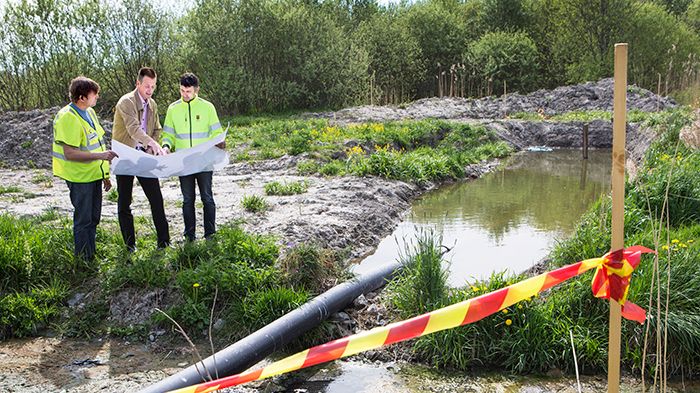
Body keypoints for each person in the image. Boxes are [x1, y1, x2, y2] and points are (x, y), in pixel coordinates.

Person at [52, 76, 118, 261]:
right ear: (82, 97)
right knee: (83, 220)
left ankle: (91, 255)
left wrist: (104, 174)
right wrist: (101, 157)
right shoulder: (68, 117)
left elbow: (97, 144)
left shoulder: (89, 113)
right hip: (80, 178)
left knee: (93, 218)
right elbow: (70, 153)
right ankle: (83, 260)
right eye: (94, 94)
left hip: (93, 175)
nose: (97, 96)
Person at [162, 72, 225, 241]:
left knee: (207, 197)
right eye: (182, 90)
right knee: (187, 199)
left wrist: (220, 141)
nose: (185, 94)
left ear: (196, 90)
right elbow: (168, 134)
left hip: (204, 162)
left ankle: (210, 234)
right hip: (184, 163)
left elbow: (217, 132)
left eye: (188, 91)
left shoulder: (208, 107)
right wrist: (166, 146)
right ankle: (189, 235)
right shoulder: (173, 108)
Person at [112, 67, 170, 251]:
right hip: (125, 156)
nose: (150, 90)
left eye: (153, 86)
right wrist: (152, 143)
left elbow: (157, 128)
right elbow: (133, 129)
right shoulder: (126, 102)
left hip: (144, 156)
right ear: (138, 84)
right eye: (146, 86)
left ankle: (164, 243)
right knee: (124, 202)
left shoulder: (152, 104)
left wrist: (151, 146)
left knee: (156, 199)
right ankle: (130, 246)